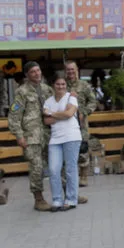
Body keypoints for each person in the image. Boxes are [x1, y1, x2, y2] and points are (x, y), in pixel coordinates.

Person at [7, 61, 53, 211]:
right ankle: (38, 199)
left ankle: (67, 193)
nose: (37, 73)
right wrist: (19, 136)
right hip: (31, 136)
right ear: (27, 75)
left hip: (48, 134)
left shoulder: (47, 89)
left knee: (58, 164)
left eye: (38, 70)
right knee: (37, 168)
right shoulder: (22, 91)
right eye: (33, 72)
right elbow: (14, 116)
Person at [43, 72, 82, 211]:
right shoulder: (48, 101)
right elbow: (46, 121)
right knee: (53, 170)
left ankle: (71, 200)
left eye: (63, 84)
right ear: (53, 85)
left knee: (71, 169)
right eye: (58, 84)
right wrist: (62, 114)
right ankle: (57, 200)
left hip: (71, 136)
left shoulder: (71, 97)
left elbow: (69, 114)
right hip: (55, 139)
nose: (61, 86)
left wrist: (52, 113)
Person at [64, 61, 97, 187]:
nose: (70, 72)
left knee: (82, 148)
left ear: (77, 70)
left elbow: (93, 101)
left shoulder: (84, 85)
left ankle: (83, 175)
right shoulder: (62, 85)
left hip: (81, 122)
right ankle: (71, 176)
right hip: (65, 123)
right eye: (68, 70)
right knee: (68, 149)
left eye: (72, 69)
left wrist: (85, 112)